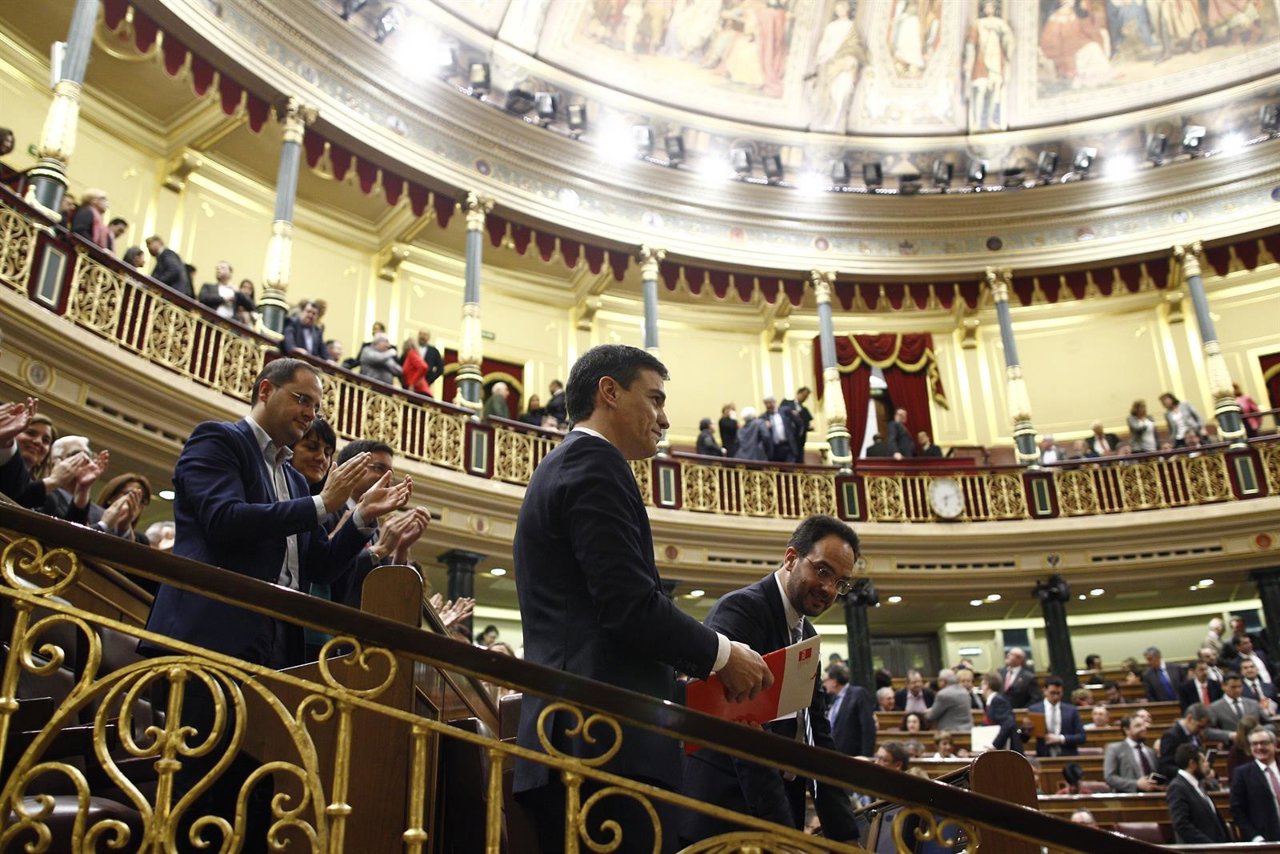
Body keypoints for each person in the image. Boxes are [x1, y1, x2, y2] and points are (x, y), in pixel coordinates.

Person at [140, 358, 411, 846]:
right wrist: (323, 504)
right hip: (210, 642)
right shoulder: (219, 440)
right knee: (195, 789)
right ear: (266, 390)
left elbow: (319, 567)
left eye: (317, 405)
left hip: (274, 652)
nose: (311, 414)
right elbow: (224, 520)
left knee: (250, 794)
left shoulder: (288, 478)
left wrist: (359, 520)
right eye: (302, 399)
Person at [512, 344, 771, 852]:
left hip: (582, 739)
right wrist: (723, 655)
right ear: (609, 391)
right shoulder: (593, 465)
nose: (665, 417)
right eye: (654, 399)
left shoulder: (568, 465)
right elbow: (628, 606)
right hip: (601, 745)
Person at [680, 515, 860, 843]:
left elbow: (816, 733)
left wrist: (846, 835)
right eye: (822, 571)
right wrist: (782, 830)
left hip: (775, 803)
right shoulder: (741, 610)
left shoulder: (807, 634)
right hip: (726, 806)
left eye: (841, 582)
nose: (829, 589)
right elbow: (738, 729)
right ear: (791, 558)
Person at [1166, 744, 1230, 843]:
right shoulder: (1177, 787)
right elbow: (1182, 825)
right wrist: (1209, 846)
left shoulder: (1198, 784)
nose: (1207, 764)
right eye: (1203, 761)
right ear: (1192, 764)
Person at [1231, 727, 1280, 842]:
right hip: (1265, 841)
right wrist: (1255, 837)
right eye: (1254, 744)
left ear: (1274, 744)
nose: (1259, 747)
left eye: (1263, 743)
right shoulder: (1242, 774)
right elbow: (1237, 810)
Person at [824, 663, 876, 758]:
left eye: (826, 680)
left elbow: (868, 727)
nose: (824, 684)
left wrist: (866, 756)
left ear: (834, 681)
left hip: (854, 756)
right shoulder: (833, 699)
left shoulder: (858, 694)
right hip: (836, 755)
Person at [1103, 714, 1164, 792]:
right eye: (1138, 726)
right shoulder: (1114, 749)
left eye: (1143, 725)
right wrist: (1136, 784)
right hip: (1128, 799)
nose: (1143, 728)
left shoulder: (1150, 751)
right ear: (1126, 730)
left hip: (1152, 797)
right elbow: (1109, 777)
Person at [1028, 676, 1086, 757]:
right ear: (1044, 690)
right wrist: (1026, 729)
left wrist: (1060, 739)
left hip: (1068, 756)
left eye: (1058, 693)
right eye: (1052, 693)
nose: (1055, 696)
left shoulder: (1071, 710)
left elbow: (1082, 737)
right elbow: (1025, 738)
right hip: (1044, 756)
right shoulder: (1034, 709)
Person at [1158, 704, 1211, 780]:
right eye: (1200, 727)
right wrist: (1188, 774)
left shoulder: (1195, 736)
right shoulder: (1171, 736)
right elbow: (1165, 767)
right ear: (1190, 718)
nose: (1201, 732)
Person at [979, 671, 1022, 753]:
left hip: (1007, 751)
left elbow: (1008, 723)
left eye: (982, 685)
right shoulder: (991, 702)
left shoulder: (998, 700)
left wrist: (995, 745)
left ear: (986, 685)